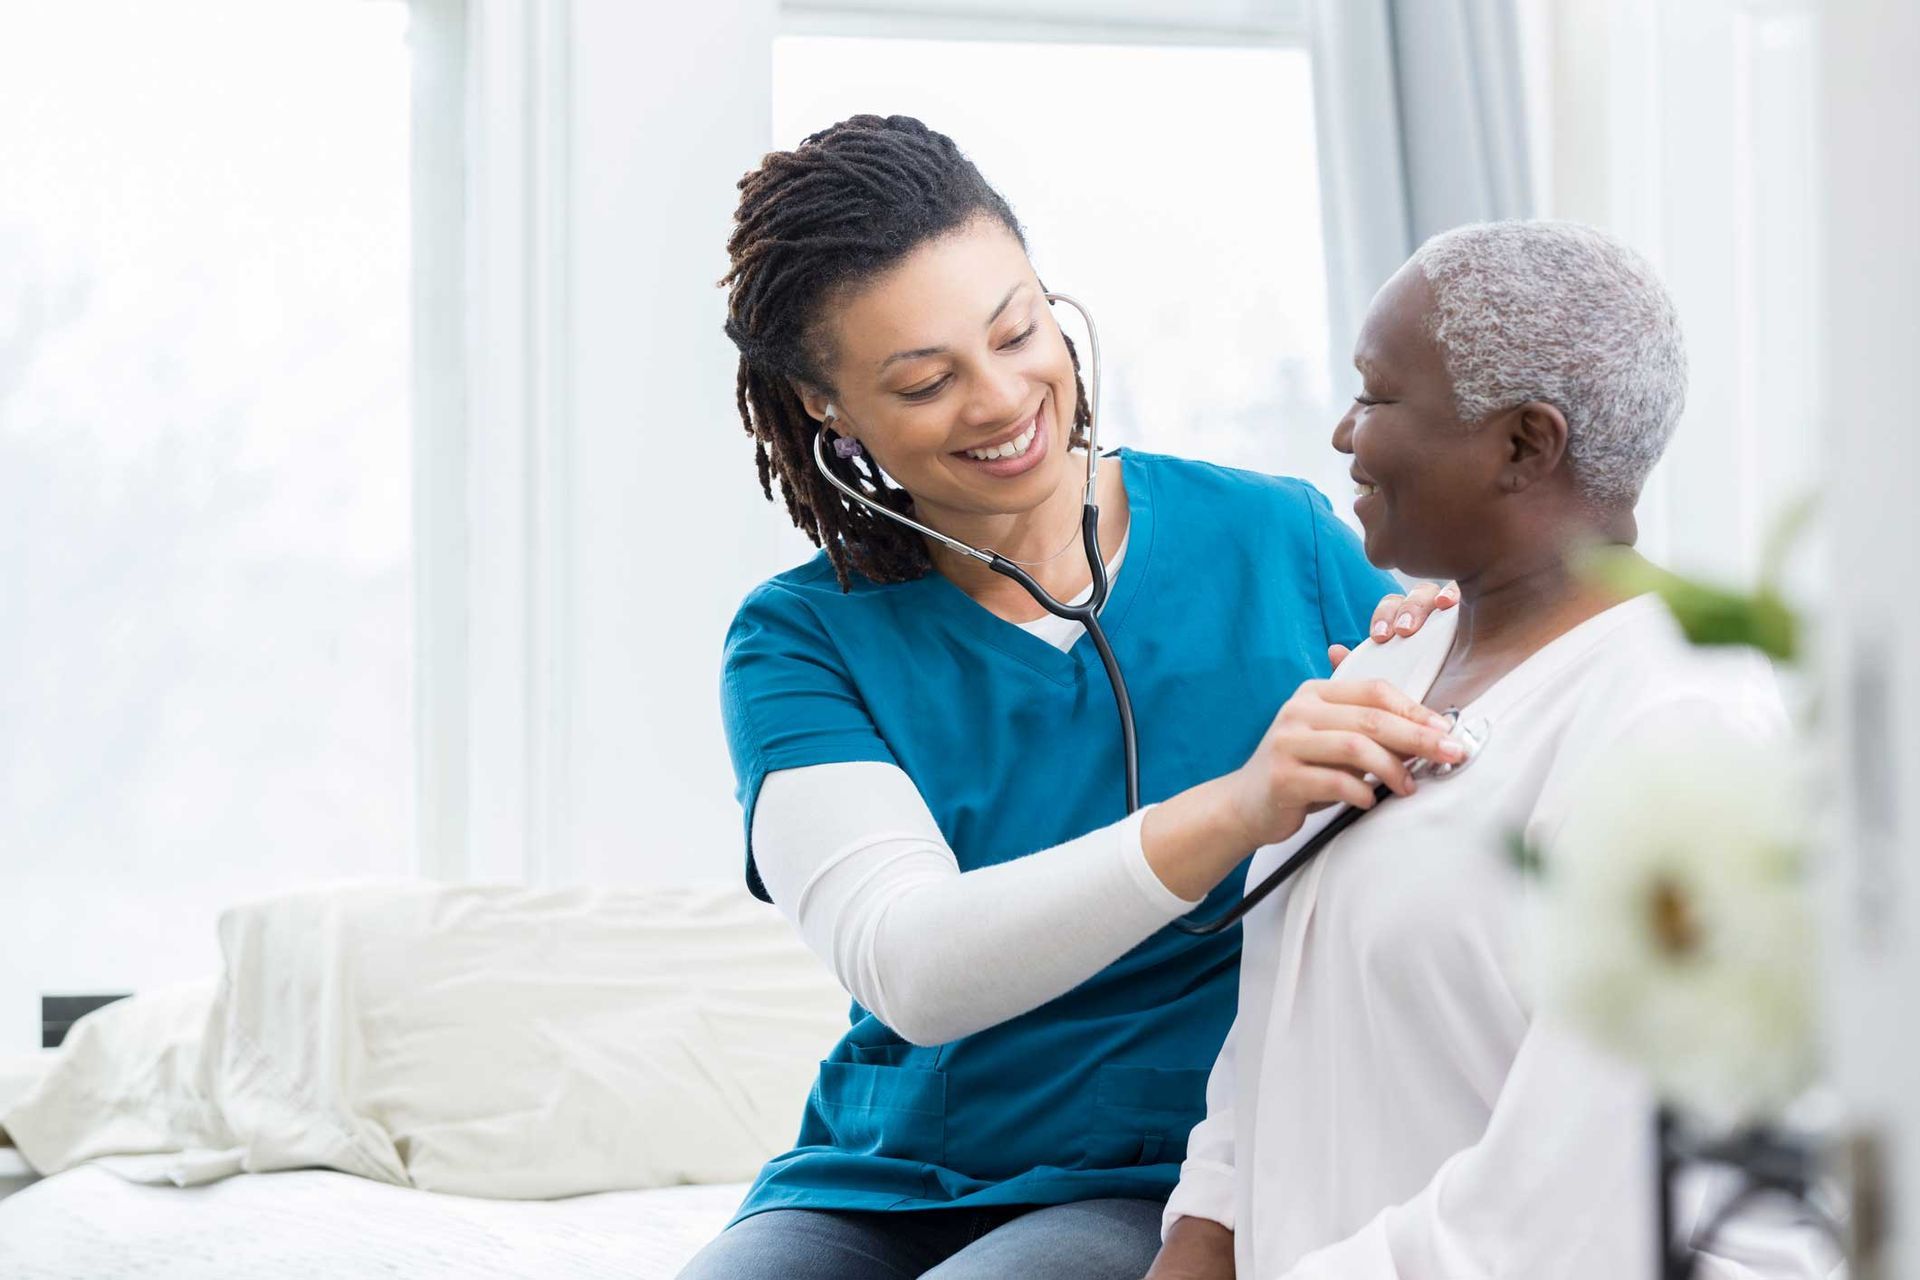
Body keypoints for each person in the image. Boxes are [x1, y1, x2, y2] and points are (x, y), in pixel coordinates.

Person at [676, 114, 1459, 1279]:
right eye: (927, 379)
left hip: (1161, 1171)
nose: (999, 399)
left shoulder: (1276, 541)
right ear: (829, 410)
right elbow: (915, 966)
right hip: (881, 1178)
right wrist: (1239, 806)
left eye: (1017, 328)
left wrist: (1450, 644)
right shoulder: (799, 639)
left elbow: (1475, 788)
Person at [1148, 220, 1838, 1279]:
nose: (1342, 431)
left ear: (1524, 442)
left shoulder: (1682, 724)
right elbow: (1280, 1026)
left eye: (1377, 395)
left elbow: (1561, 1216)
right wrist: (1201, 1237)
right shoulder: (1382, 666)